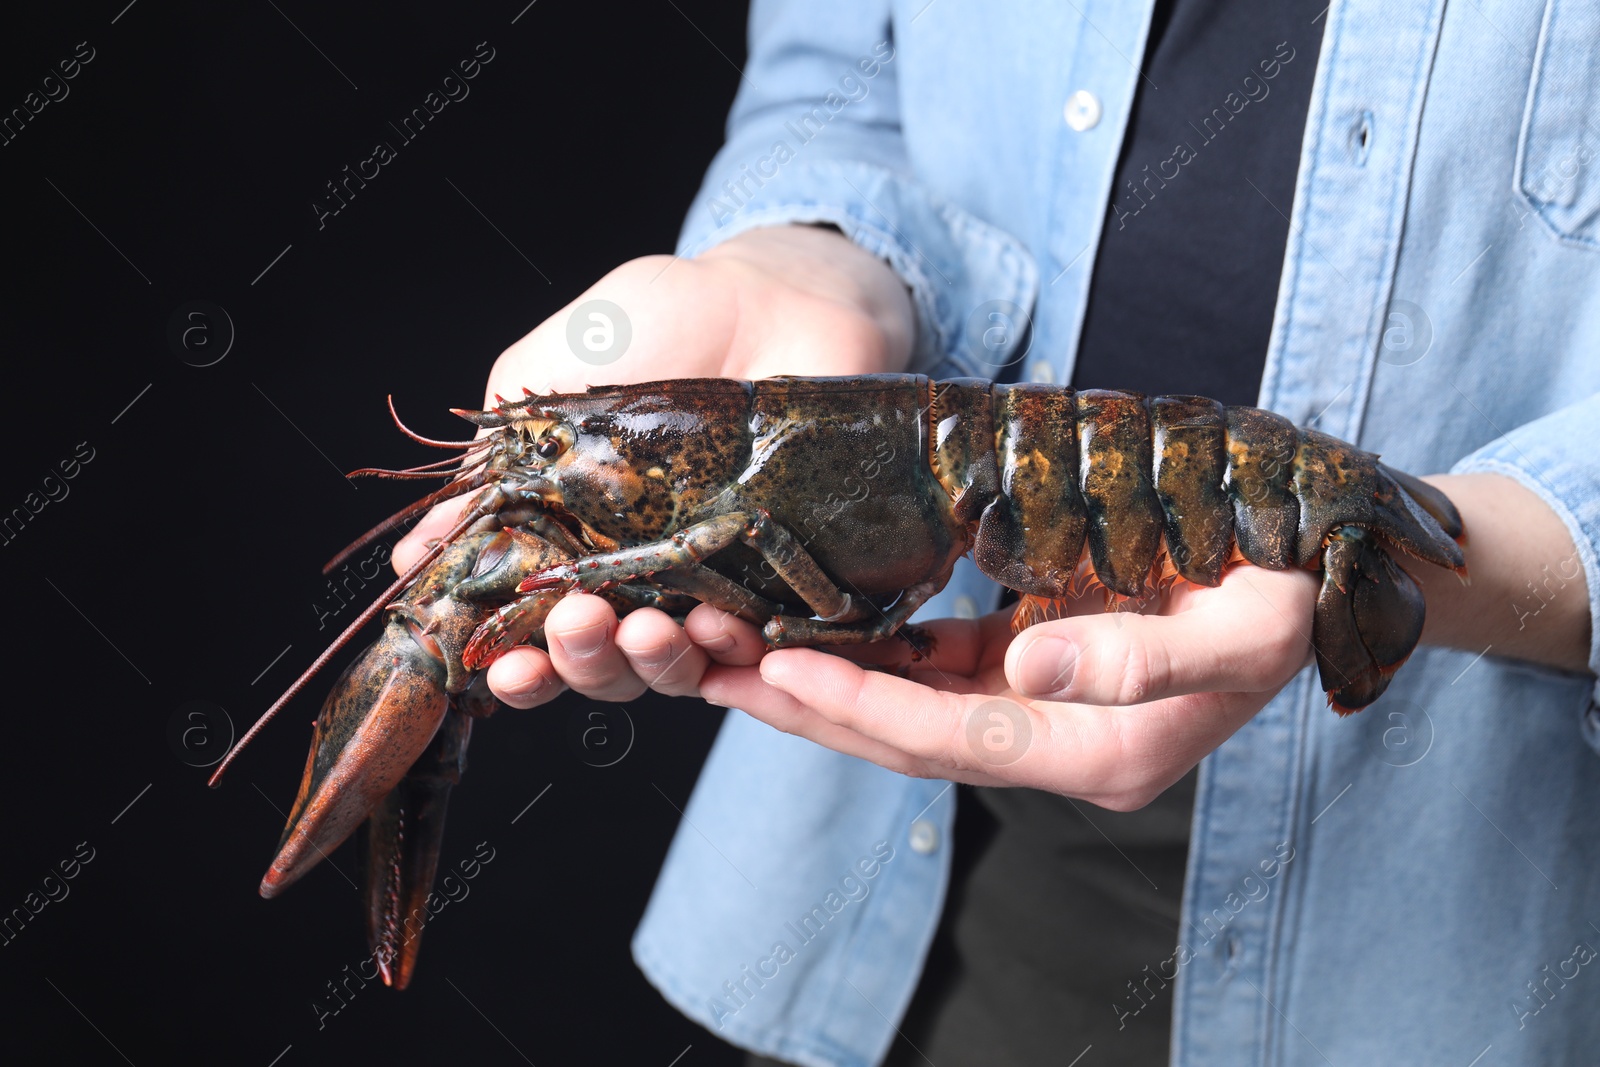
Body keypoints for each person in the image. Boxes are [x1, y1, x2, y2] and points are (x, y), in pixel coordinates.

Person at [395, 0, 1600, 1062]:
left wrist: (1495, 565)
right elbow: (834, 70)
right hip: (890, 891)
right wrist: (807, 259)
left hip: (1441, 931)